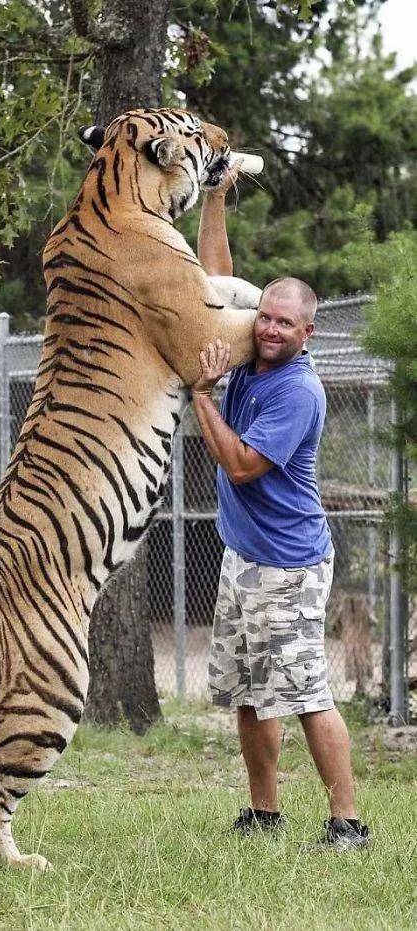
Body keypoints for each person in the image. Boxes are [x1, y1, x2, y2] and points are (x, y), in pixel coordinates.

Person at [191, 162, 370, 849]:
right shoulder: (249, 349)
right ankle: (264, 811)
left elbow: (239, 466)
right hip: (244, 559)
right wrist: (215, 196)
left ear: (307, 333)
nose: (268, 328)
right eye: (264, 315)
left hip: (289, 567)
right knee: (246, 689)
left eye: (284, 322)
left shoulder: (297, 390)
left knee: (303, 694)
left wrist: (200, 392)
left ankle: (347, 822)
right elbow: (215, 282)